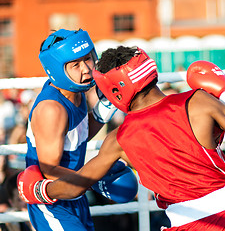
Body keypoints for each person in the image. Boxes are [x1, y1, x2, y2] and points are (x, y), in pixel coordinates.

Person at [18, 46, 225, 230]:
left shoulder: (119, 139)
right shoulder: (197, 102)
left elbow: (76, 185)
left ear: (115, 91)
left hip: (184, 224)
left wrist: (40, 190)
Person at [17, 30, 137, 231]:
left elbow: (78, 136)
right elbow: (49, 170)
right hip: (53, 200)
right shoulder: (51, 109)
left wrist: (104, 107)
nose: (86, 69)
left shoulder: (76, 93)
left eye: (88, 59)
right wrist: (95, 178)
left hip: (75, 192)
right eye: (75, 64)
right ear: (56, 69)